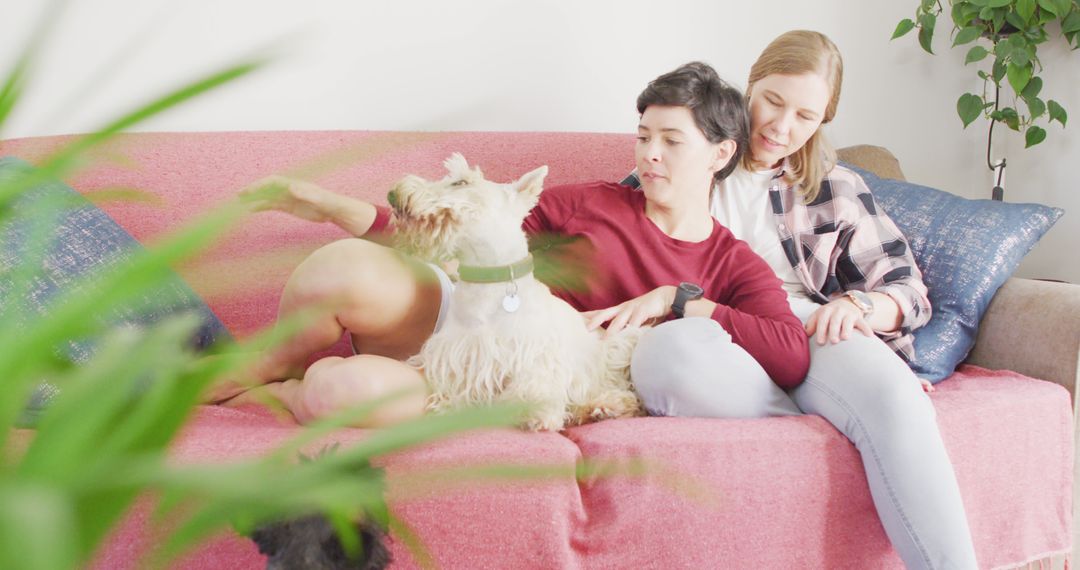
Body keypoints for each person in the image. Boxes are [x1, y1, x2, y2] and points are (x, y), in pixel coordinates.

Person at [220, 61, 810, 431]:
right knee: (341, 269)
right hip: (464, 319)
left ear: (720, 153)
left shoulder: (732, 261)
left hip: (513, 379)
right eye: (643, 137)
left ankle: (284, 393)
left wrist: (680, 302)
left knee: (335, 389)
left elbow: (790, 355)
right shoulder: (590, 204)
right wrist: (329, 207)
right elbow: (455, 233)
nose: (649, 154)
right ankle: (257, 367)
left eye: (671, 141)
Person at [623, 31, 977, 570]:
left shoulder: (836, 188)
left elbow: (908, 291)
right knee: (664, 357)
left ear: (823, 122)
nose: (781, 127)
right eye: (773, 101)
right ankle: (832, 413)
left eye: (806, 116)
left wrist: (858, 308)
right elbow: (612, 250)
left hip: (807, 329)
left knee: (896, 400)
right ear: (750, 87)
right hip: (708, 336)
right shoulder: (678, 154)